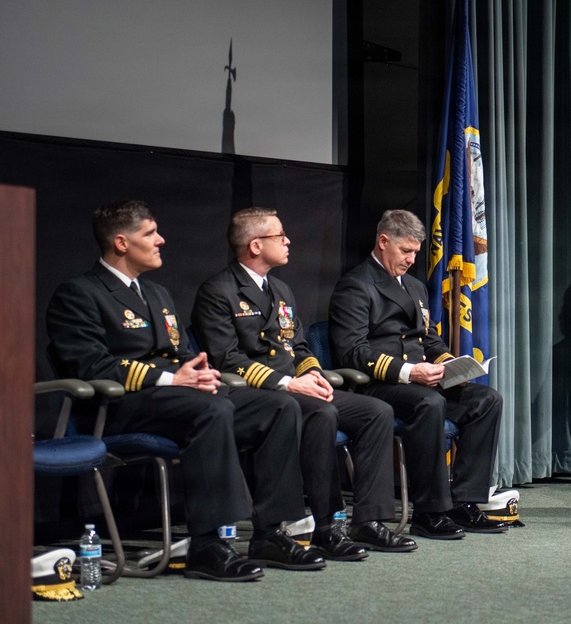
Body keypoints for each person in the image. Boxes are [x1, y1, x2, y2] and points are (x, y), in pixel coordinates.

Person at [46, 200, 326, 582]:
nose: (161, 240)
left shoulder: (157, 294)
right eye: (150, 233)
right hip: (118, 407)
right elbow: (91, 367)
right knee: (212, 410)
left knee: (276, 406)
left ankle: (270, 533)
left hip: (176, 399)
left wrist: (199, 374)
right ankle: (207, 545)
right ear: (122, 243)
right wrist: (173, 379)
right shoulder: (79, 293)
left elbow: (181, 355)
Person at [192, 207, 416, 556]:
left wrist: (312, 373)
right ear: (255, 246)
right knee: (319, 413)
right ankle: (325, 526)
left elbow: (297, 346)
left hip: (295, 388)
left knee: (376, 411)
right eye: (279, 236)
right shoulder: (218, 291)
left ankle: (368, 521)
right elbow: (227, 359)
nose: (288, 241)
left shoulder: (280, 289)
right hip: (258, 394)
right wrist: (288, 384)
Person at [328, 209, 507, 539]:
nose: (412, 259)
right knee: (428, 403)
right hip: (378, 387)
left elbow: (428, 338)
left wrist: (450, 364)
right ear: (383, 242)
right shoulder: (355, 286)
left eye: (415, 252)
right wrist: (410, 372)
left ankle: (463, 502)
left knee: (486, 400)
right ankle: (429, 510)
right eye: (405, 251)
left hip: (422, 381)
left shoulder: (413, 286)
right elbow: (351, 351)